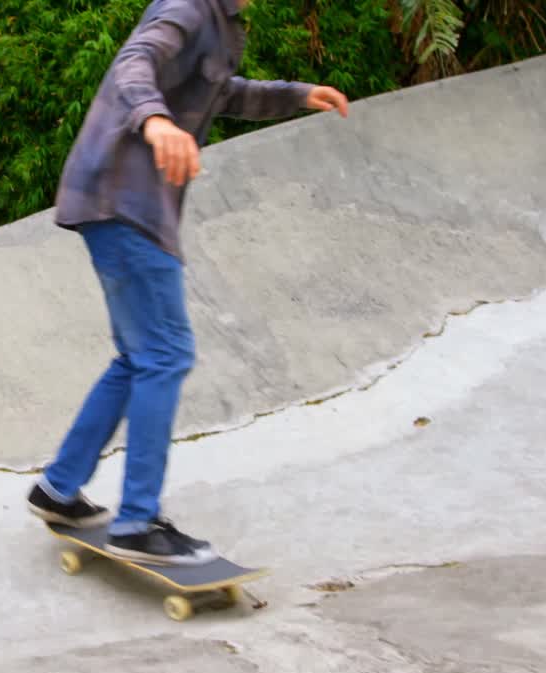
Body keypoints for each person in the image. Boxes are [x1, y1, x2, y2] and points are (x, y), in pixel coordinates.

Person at [27, 0, 349, 565]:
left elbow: (229, 95)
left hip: (121, 204)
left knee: (137, 357)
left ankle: (57, 488)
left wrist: (299, 94)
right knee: (167, 354)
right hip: (124, 202)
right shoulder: (188, 7)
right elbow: (135, 62)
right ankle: (137, 523)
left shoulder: (226, 28)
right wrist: (154, 119)